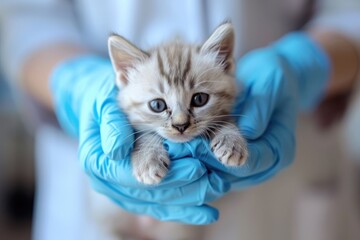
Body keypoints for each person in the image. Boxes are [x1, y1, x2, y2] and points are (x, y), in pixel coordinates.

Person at [0, 0, 359, 239]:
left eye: (198, 101)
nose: (182, 121)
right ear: (122, 76)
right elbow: (28, 18)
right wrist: (73, 81)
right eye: (160, 106)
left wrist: (302, 63)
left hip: (276, 208)